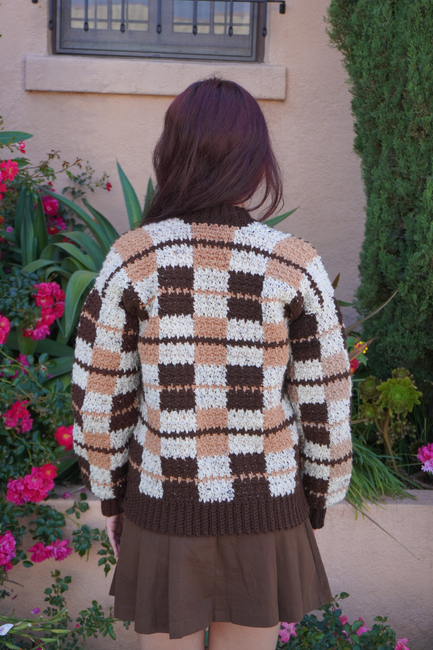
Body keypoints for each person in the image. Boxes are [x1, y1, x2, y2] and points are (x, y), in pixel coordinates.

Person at [71, 78, 352, 650]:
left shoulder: (135, 258)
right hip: (266, 508)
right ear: (256, 161)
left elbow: (99, 397)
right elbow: (326, 399)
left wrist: (110, 493)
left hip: (163, 505)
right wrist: (320, 494)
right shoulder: (294, 264)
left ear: (171, 154)